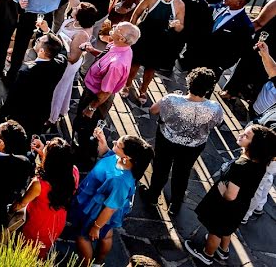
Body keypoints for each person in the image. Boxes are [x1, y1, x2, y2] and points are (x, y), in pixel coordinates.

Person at [184, 124, 276, 265]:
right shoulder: (260, 164)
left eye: (246, 136)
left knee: (215, 231)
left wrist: (222, 191)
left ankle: (207, 255)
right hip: (240, 207)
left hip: (226, 207)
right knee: (226, 229)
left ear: (255, 145)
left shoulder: (240, 166)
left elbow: (231, 195)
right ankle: (223, 250)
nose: (240, 135)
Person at [143, 68, 223, 216]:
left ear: (189, 82)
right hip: (194, 145)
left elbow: (153, 110)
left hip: (167, 140)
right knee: (183, 172)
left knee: (161, 168)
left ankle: (153, 195)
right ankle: (175, 203)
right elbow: (217, 123)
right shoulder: (214, 108)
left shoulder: (172, 99)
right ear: (209, 88)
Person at [71, 131, 154, 267]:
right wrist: (103, 142)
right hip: (97, 203)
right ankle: (98, 262)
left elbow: (110, 209)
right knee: (107, 234)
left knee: (83, 237)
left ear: (127, 156)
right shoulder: (120, 159)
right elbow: (106, 155)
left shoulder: (120, 181)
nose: (115, 142)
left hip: (96, 211)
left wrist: (96, 227)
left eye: (119, 145)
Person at [73, 22, 142, 159]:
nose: (114, 27)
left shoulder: (117, 64)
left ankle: (84, 156)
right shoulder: (118, 46)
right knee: (82, 124)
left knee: (86, 128)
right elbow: (105, 56)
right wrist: (92, 50)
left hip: (97, 97)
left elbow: (105, 92)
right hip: (94, 91)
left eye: (118, 29)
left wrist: (91, 108)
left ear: (122, 39)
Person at [42, 0, 97, 126]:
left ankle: (51, 118)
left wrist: (50, 34)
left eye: (77, 9)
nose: (74, 7)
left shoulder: (81, 34)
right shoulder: (77, 18)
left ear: (81, 16)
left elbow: (73, 58)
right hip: (59, 53)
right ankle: (59, 110)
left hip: (66, 63)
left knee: (58, 87)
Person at [12, 137, 78, 259]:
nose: (46, 143)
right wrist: (44, 152)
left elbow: (22, 203)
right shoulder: (73, 172)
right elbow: (58, 168)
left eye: (47, 147)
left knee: (26, 252)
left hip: (38, 223)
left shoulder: (39, 184)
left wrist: (10, 210)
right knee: (41, 249)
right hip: (57, 221)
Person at [125, 0, 186, 103]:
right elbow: (136, 14)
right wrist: (132, 31)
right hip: (144, 34)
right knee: (135, 63)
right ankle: (127, 85)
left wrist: (177, 25)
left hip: (161, 39)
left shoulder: (179, 5)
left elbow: (180, 28)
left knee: (151, 68)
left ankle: (143, 90)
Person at [8, 0, 65, 76]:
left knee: (20, 46)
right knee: (44, 46)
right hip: (48, 16)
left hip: (29, 17)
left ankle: (12, 73)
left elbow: (19, 0)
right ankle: (37, 72)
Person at [0, 34, 67, 136]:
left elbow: (14, 95)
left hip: (22, 113)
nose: (37, 40)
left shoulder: (26, 70)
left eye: (39, 40)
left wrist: (2, 113)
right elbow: (63, 52)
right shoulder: (60, 63)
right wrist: (47, 31)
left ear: (41, 51)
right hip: (42, 111)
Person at [181, 0, 254, 76]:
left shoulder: (245, 25)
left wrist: (220, 67)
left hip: (211, 68)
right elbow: (204, 9)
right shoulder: (220, 7)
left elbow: (238, 52)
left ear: (239, 2)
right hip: (194, 58)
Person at [222, 0, 276, 100]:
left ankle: (252, 97)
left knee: (266, 72)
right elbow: (259, 23)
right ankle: (232, 91)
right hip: (265, 39)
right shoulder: (274, 3)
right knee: (247, 63)